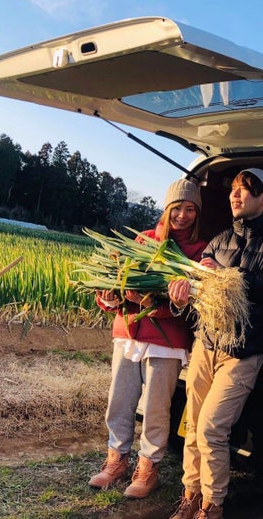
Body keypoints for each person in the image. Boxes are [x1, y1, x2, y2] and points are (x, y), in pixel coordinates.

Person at [167, 168, 263, 519]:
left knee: (212, 426)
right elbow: (199, 285)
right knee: (194, 423)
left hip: (243, 351)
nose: (235, 195)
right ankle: (190, 495)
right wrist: (187, 290)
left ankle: (213, 505)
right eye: (233, 189)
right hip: (206, 344)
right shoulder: (219, 240)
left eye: (246, 190)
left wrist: (229, 276)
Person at [88, 178, 207, 499]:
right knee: (119, 402)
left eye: (190, 209)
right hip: (128, 335)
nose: (182, 215)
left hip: (167, 343)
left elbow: (193, 310)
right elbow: (116, 293)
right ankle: (116, 461)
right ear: (166, 208)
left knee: (156, 409)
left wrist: (160, 304)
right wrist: (110, 296)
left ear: (197, 213)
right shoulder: (143, 241)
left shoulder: (199, 254)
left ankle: (148, 468)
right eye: (177, 208)